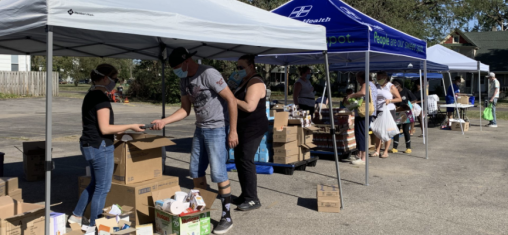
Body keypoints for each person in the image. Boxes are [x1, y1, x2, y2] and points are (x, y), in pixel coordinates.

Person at [150, 47, 238, 234]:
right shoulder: (184, 79)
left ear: (187, 61)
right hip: (200, 129)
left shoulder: (208, 73)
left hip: (218, 128)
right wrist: (164, 121)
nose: (176, 71)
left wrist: (233, 131)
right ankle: (201, 212)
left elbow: (231, 99)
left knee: (219, 173)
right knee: (196, 171)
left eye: (177, 66)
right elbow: (185, 109)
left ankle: (227, 217)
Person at [68, 64, 145, 227]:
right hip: (100, 146)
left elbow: (89, 123)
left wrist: (115, 132)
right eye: (115, 78)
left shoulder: (90, 95)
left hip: (89, 144)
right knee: (102, 188)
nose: (116, 82)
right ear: (105, 78)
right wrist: (130, 126)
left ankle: (76, 216)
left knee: (95, 183)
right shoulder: (101, 98)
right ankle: (95, 226)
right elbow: (105, 128)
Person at [231, 55, 268, 211]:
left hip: (253, 127)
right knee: (239, 160)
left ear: (251, 67)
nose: (238, 70)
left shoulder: (256, 82)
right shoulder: (245, 80)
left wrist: (231, 98)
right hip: (243, 126)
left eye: (241, 67)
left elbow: (249, 106)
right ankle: (246, 194)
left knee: (246, 160)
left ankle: (253, 199)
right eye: (237, 67)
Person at [346, 72, 377, 165]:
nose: (357, 80)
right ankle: (360, 154)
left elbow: (363, 93)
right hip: (370, 112)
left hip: (363, 113)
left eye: (357, 78)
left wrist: (351, 95)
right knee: (362, 133)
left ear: (361, 78)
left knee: (361, 133)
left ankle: (363, 157)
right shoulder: (373, 85)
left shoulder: (365, 84)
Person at [372, 72, 401, 158]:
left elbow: (399, 98)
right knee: (377, 130)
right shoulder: (376, 86)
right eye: (377, 78)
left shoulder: (390, 86)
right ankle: (377, 150)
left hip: (389, 111)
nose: (378, 80)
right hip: (378, 110)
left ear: (385, 78)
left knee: (387, 131)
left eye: (380, 78)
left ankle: (385, 151)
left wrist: (390, 101)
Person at [390, 79, 416, 154]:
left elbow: (414, 99)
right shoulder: (393, 92)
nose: (394, 86)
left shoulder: (406, 91)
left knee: (405, 130)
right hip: (397, 112)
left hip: (406, 113)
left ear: (399, 85)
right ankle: (395, 147)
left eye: (395, 85)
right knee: (396, 130)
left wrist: (408, 104)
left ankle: (408, 147)